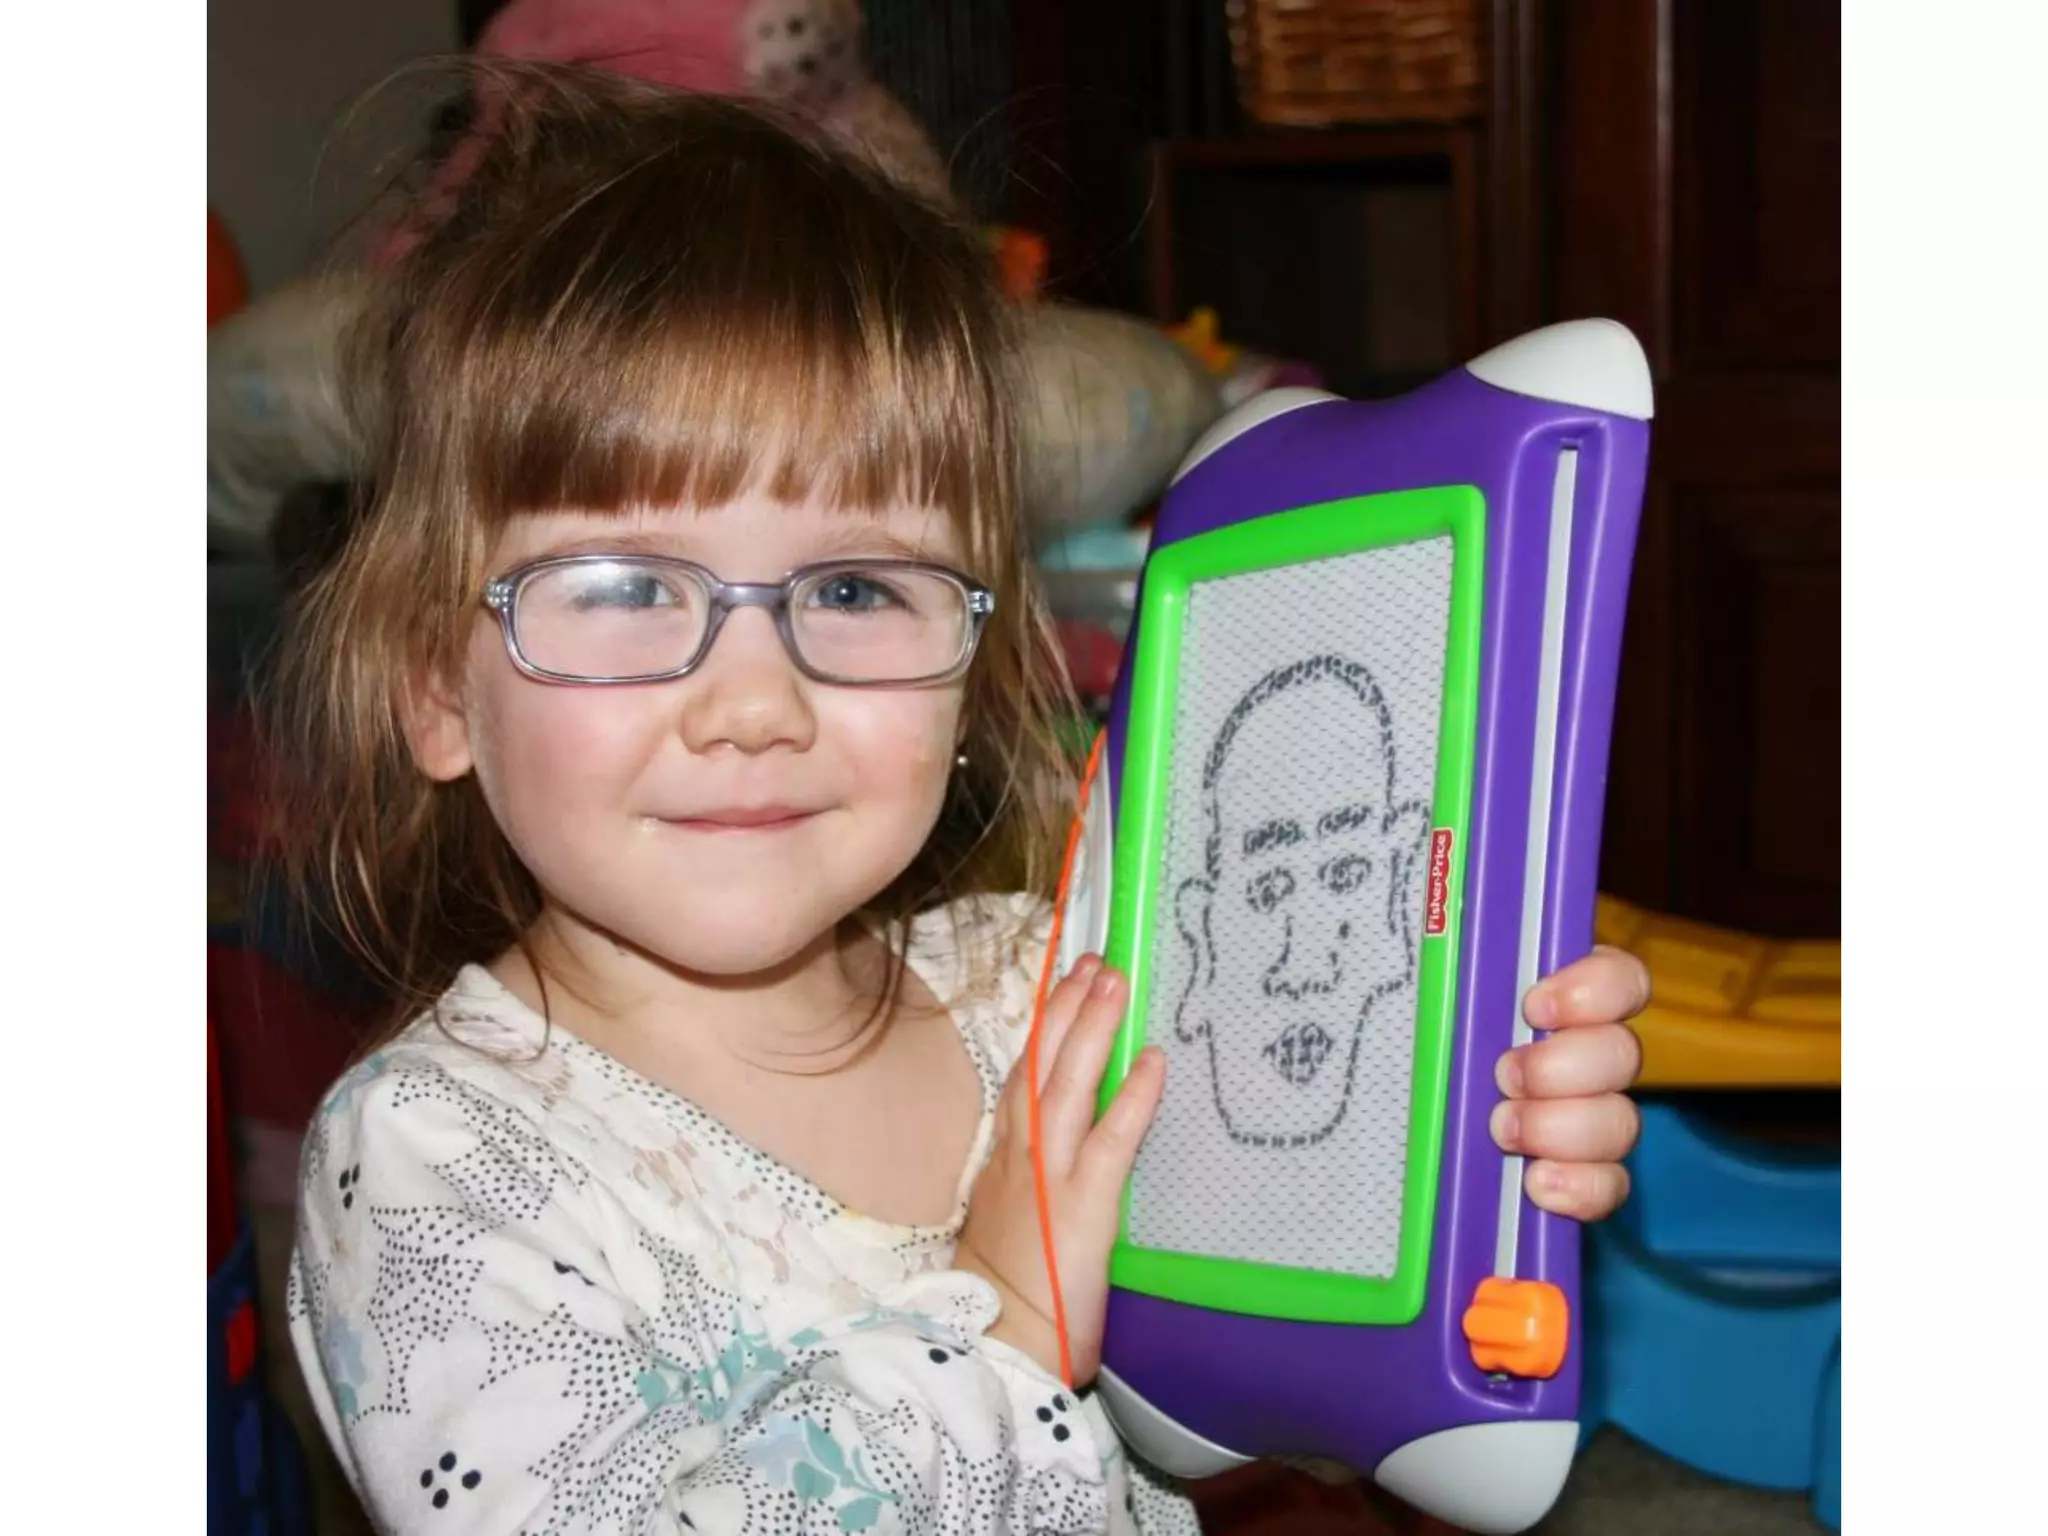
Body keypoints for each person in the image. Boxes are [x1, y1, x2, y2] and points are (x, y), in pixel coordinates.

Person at [270, 66, 1650, 1535]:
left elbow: (1264, 1375)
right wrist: (1000, 1327)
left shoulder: (1061, 990)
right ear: (436, 689)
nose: (755, 704)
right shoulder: (434, 1159)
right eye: (622, 587)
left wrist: (1473, 1127)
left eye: (855, 589)